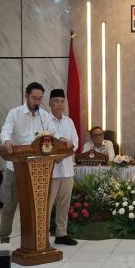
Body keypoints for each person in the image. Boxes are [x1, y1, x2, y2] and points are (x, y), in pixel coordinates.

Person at [0, 82, 72, 243]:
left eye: (39, 99)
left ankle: (33, 240)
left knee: (35, 207)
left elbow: (52, 132)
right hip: (16, 168)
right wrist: (7, 141)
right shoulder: (15, 113)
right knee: (10, 206)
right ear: (26, 96)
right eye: (34, 98)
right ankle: (4, 239)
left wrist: (61, 139)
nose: (37, 102)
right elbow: (6, 130)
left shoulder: (44, 116)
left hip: (37, 170)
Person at [48, 89, 79, 245]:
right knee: (47, 205)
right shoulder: (45, 121)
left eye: (62, 101)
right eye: (56, 101)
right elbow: (46, 142)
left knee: (64, 204)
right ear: (50, 103)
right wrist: (56, 156)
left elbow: (75, 142)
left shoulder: (69, 121)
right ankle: (43, 235)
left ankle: (61, 234)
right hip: (50, 172)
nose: (60, 104)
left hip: (67, 169)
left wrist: (62, 155)